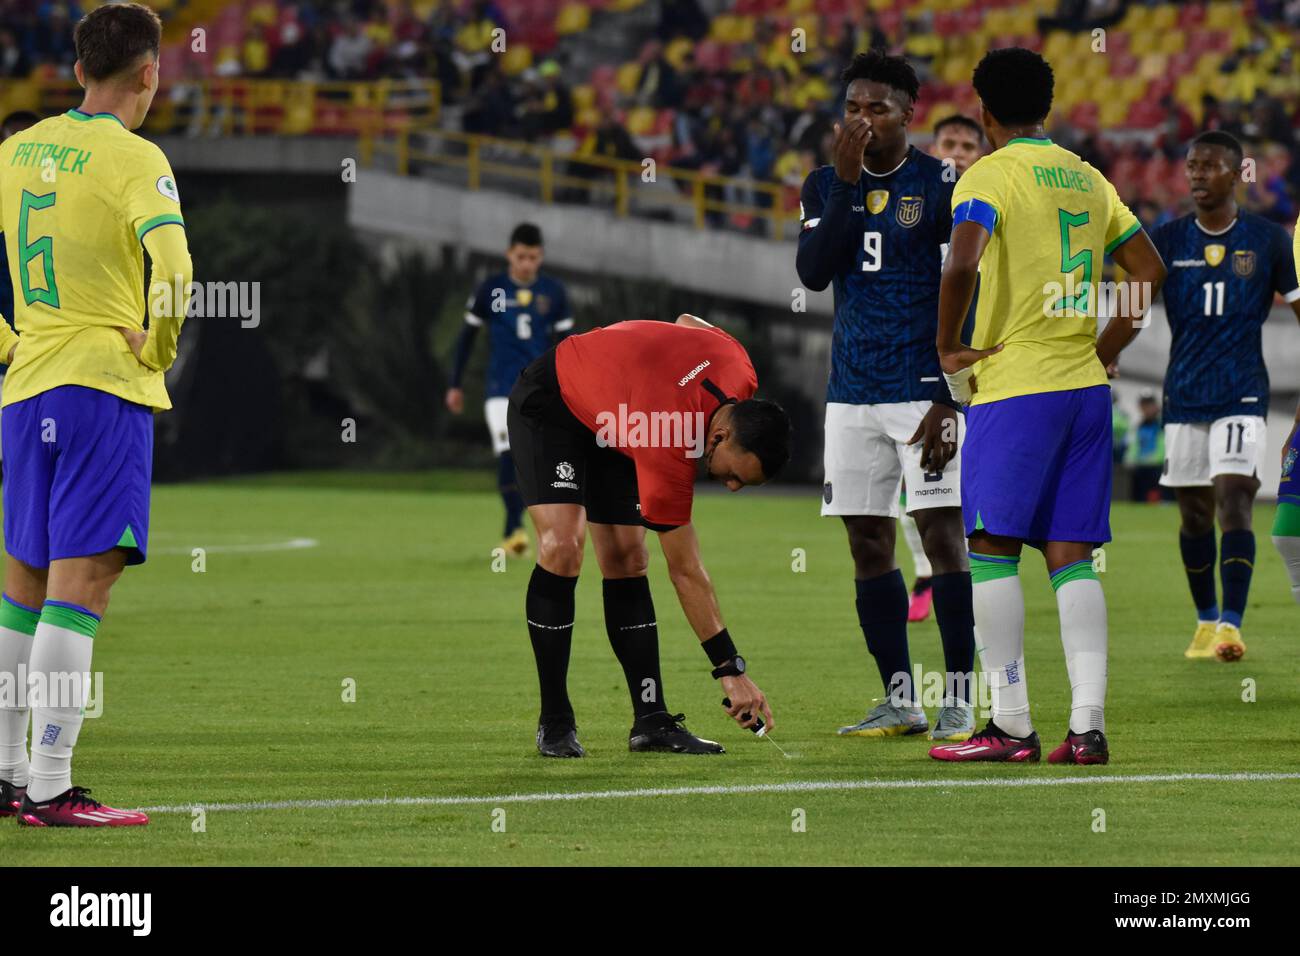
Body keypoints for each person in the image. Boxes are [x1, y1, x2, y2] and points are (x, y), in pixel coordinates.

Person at [929, 47, 1166, 765]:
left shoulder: (988, 173)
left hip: (1017, 384)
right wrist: (1105, 343)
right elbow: (1147, 270)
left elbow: (963, 262)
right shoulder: (1089, 177)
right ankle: (1087, 728)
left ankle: (1010, 725)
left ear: (983, 110)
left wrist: (947, 347)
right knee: (1072, 555)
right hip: (1087, 390)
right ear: (1049, 108)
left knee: (993, 547)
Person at [0, 2, 192, 825]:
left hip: (25, 388)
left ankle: (8, 775)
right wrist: (156, 348)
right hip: (98, 391)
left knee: (20, 590)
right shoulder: (134, 156)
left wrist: (7, 340)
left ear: (78, 69)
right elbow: (176, 268)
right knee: (79, 593)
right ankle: (50, 785)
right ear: (148, 72)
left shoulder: (14, 151)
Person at [796, 51, 978, 743]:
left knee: (941, 538)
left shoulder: (942, 184)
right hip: (850, 393)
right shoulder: (823, 184)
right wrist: (843, 188)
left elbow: (969, 288)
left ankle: (959, 696)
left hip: (920, 389)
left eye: (877, 108)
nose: (861, 120)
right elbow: (813, 274)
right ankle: (900, 698)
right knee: (867, 541)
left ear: (910, 114)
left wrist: (945, 393)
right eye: (852, 108)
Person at [507, 315, 789, 757]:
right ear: (718, 435)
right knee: (563, 547)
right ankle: (556, 720)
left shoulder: (740, 371)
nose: (731, 487)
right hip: (555, 403)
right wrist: (730, 670)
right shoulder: (670, 443)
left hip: (623, 416)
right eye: (735, 476)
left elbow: (686, 322)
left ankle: (651, 720)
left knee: (628, 558)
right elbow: (685, 571)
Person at [1150, 131, 1300, 661]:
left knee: (1235, 499)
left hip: (1242, 390)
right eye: (1191, 166)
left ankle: (1232, 626)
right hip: (1184, 393)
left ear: (1237, 175)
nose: (1196, 175)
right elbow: (1128, 304)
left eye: (1209, 166)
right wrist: (1104, 352)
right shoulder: (1165, 240)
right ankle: (1205, 621)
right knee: (1193, 513)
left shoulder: (1268, 241)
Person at [446, 223, 573, 558]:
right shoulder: (491, 289)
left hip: (540, 390)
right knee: (508, 450)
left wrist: (570, 388)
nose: (527, 264)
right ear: (509, 255)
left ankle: (522, 526)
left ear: (540, 256)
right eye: (521, 256)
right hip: (501, 388)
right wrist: (455, 384)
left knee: (532, 459)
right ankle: (514, 528)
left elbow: (567, 347)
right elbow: (466, 338)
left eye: (532, 257)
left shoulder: (554, 292)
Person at [1126, 390, 1165, 502]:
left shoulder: (1161, 424)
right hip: (1140, 467)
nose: (1146, 408)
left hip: (1157, 468)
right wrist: (1132, 459)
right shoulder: (1138, 425)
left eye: (1149, 404)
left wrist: (1154, 459)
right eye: (1144, 405)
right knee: (1139, 498)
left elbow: (1163, 446)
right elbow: (1134, 446)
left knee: (1156, 499)